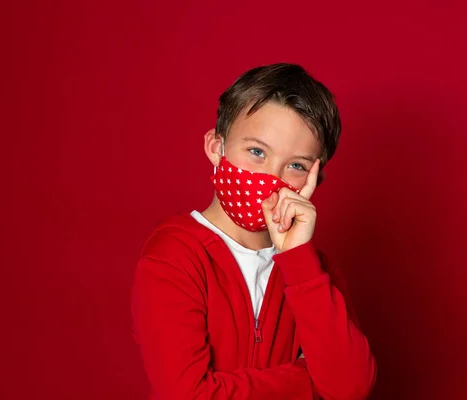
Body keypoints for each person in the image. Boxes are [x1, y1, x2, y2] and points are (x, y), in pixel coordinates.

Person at [131, 63, 376, 399]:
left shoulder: (316, 272)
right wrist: (309, 382)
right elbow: (187, 395)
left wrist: (299, 261)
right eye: (257, 152)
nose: (270, 179)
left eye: (296, 166)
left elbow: (350, 388)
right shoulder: (173, 256)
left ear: (314, 180)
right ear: (216, 148)